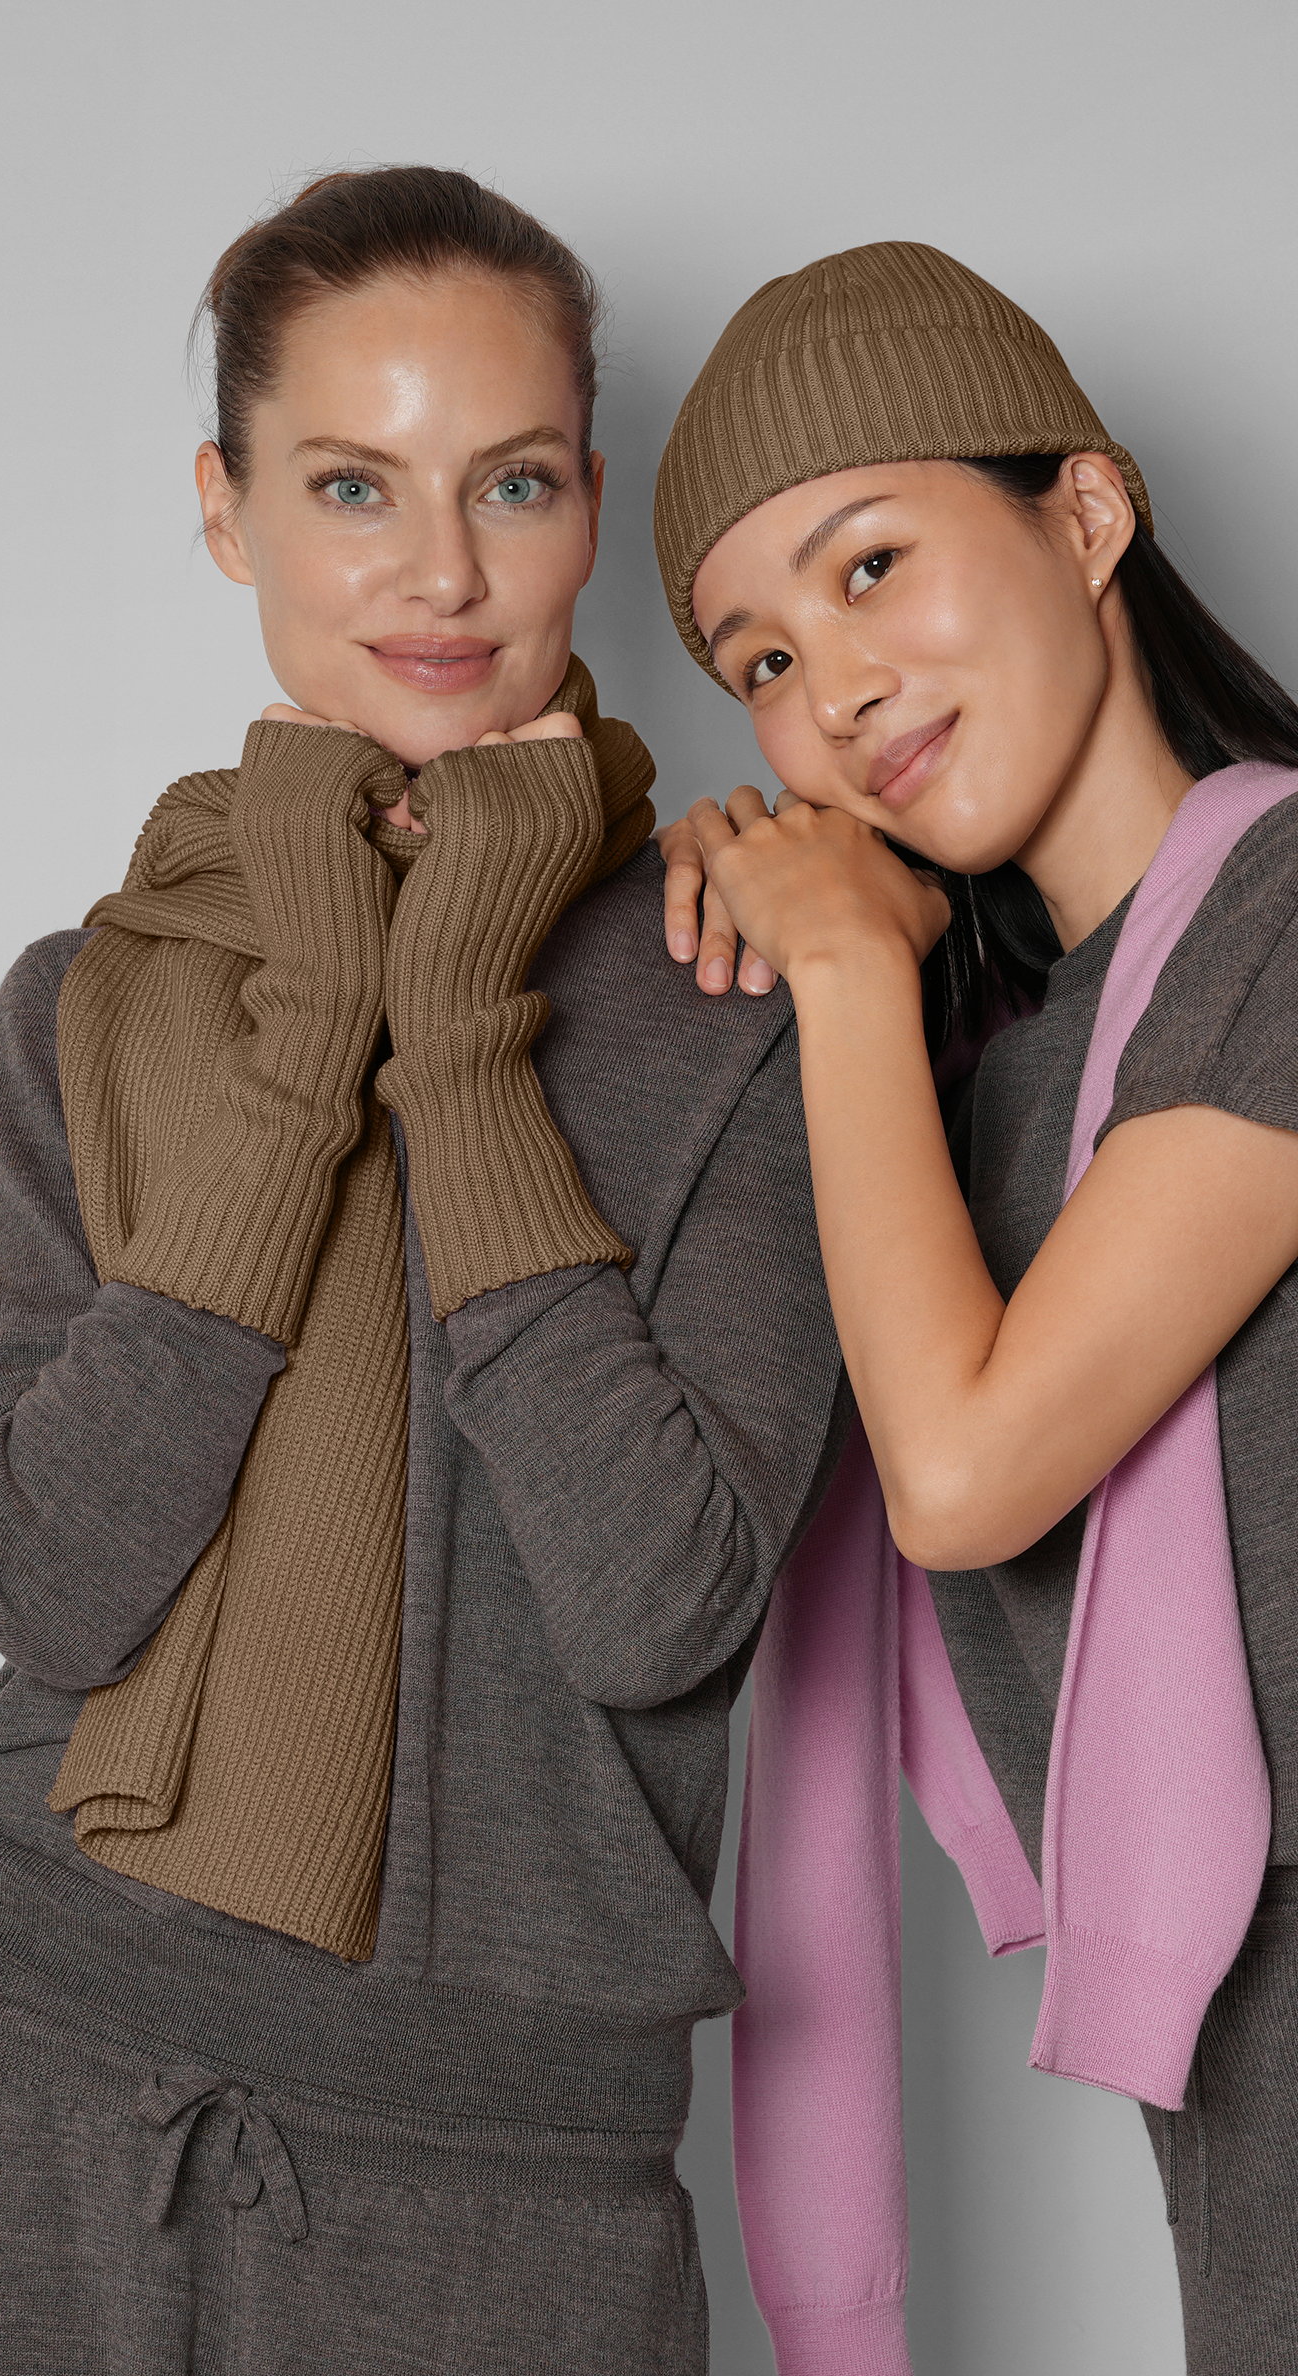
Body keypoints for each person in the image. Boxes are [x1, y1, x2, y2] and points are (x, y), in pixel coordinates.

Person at [0, 166, 852, 2375]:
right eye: (352, 484)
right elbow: (46, 1580)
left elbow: (659, 1608)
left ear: (591, 506)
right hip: (18, 2087)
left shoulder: (752, 1000)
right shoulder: (92, 1001)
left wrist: (458, 1041)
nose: (441, 570)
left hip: (501, 2180)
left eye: (515, 482)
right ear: (228, 510)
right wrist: (309, 1053)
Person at [653, 239, 1298, 2375]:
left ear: (1087, 513)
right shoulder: (986, 1083)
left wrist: (843, 962)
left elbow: (965, 1469)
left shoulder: (1285, 909)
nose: (831, 689)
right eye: (760, 657)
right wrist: (786, 974)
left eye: (871, 567)